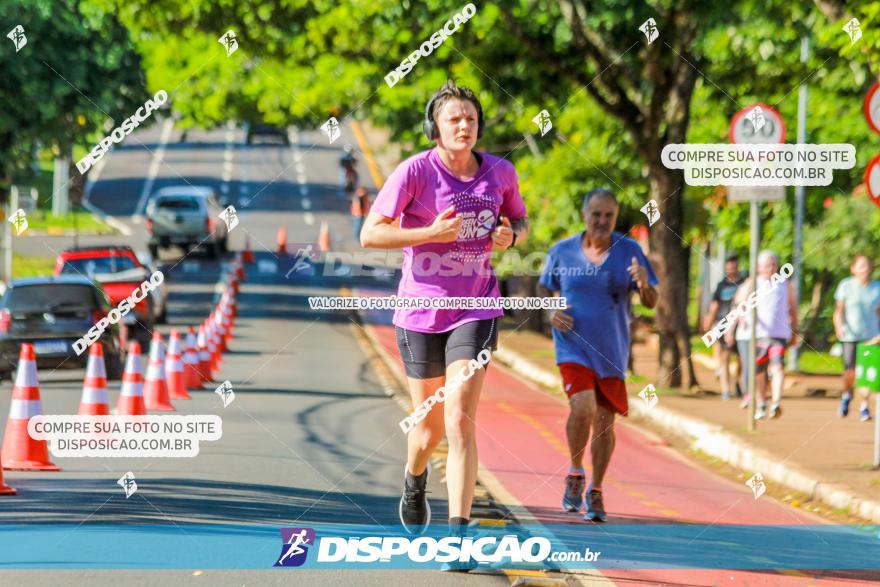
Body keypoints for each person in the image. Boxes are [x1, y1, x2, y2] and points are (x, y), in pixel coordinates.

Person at [359, 80, 529, 557]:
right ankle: (414, 480)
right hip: (419, 311)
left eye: (471, 119)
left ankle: (458, 535)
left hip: (477, 307)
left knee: (459, 419)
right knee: (428, 428)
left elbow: (520, 220)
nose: (463, 126)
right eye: (454, 118)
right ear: (435, 126)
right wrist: (429, 232)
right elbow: (370, 234)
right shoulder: (415, 171)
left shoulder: (500, 172)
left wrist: (510, 238)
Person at [539, 188, 658, 523]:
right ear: (585, 216)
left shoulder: (630, 251)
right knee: (583, 406)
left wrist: (645, 284)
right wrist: (551, 309)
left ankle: (597, 489)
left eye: (609, 215)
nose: (602, 221)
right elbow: (544, 288)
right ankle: (576, 473)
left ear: (616, 217)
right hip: (572, 346)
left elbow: (651, 301)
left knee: (605, 424)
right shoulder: (561, 251)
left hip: (612, 351)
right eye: (596, 215)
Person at [725, 250, 797, 420]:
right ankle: (761, 402)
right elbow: (737, 305)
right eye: (765, 265)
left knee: (778, 367)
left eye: (772, 264)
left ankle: (776, 403)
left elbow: (793, 309)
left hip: (778, 335)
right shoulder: (752, 283)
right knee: (758, 371)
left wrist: (795, 330)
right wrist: (732, 326)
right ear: (758, 267)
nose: (769, 268)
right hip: (757, 336)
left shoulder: (785, 284)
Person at [833, 254, 880, 421]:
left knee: (866, 373)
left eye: (867, 265)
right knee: (850, 372)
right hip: (850, 336)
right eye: (861, 266)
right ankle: (846, 396)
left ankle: (864, 407)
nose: (864, 269)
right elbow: (839, 310)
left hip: (871, 337)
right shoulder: (846, 285)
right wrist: (839, 326)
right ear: (853, 269)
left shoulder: (877, 287)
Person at [703, 254, 747, 401]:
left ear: (737, 267)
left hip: (741, 326)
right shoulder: (722, 285)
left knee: (741, 358)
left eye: (734, 268)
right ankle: (725, 390)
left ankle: (738, 383)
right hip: (723, 323)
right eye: (729, 268)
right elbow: (714, 305)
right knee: (725, 357)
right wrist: (709, 322)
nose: (731, 271)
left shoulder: (744, 283)